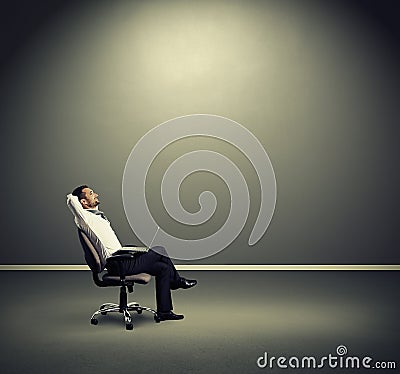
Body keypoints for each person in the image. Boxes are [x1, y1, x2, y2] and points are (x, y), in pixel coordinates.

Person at [67, 185, 197, 321]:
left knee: (162, 268)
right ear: (83, 202)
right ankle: (176, 281)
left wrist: (131, 251)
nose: (96, 195)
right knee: (160, 250)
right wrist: (75, 196)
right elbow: (71, 200)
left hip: (122, 258)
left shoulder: (97, 217)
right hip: (117, 264)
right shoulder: (84, 219)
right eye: (91, 193)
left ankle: (165, 312)